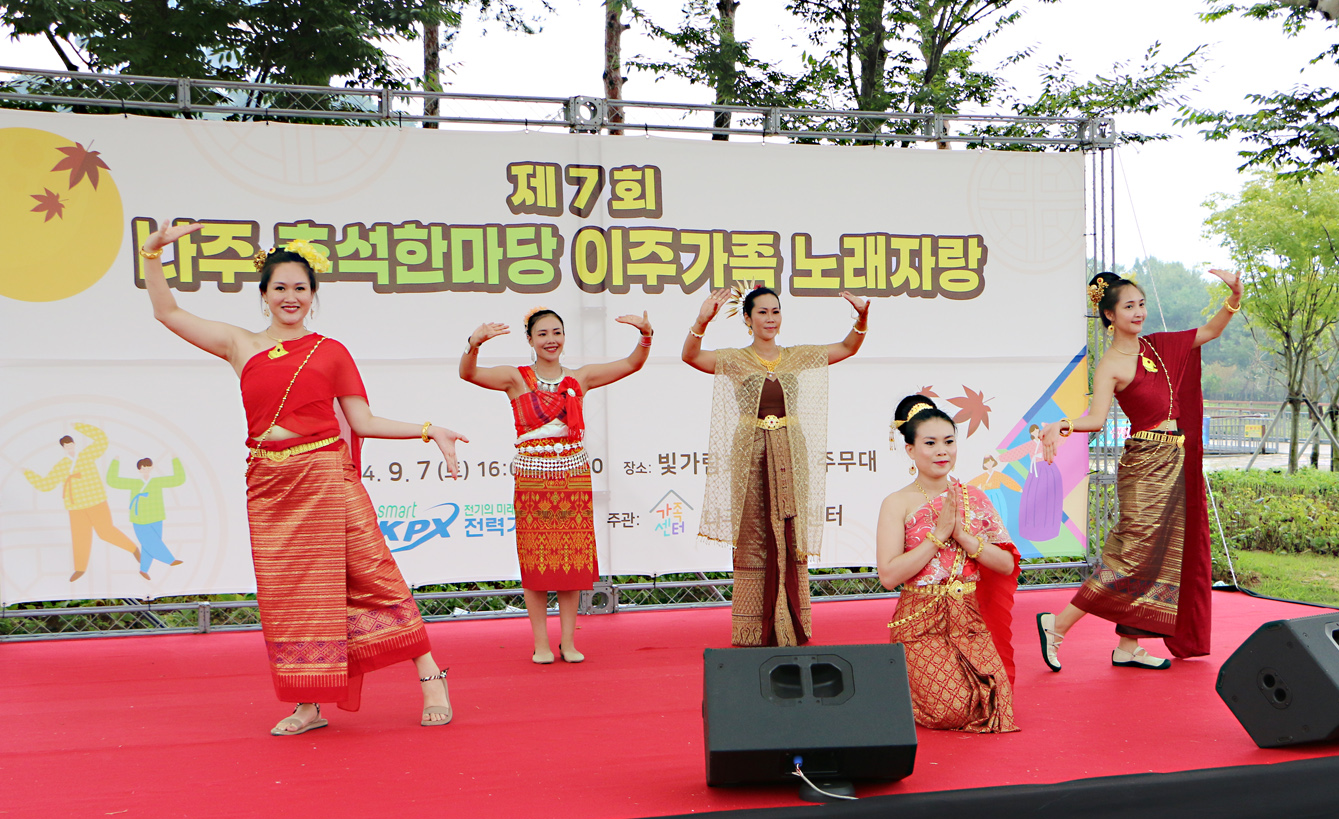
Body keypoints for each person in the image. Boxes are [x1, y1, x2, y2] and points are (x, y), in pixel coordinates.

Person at [140, 226, 466, 735]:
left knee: (375, 575)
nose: (290, 297)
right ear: (264, 294)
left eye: (301, 288)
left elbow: (363, 422)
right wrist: (153, 253)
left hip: (326, 477)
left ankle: (431, 678)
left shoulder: (330, 351)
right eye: (280, 288)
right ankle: (308, 705)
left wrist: (429, 431)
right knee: (290, 595)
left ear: (313, 296)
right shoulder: (239, 344)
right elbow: (167, 313)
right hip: (270, 484)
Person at [1034, 269, 1241, 671]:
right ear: (1110, 315)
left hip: (1175, 459)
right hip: (1144, 463)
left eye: (1141, 304)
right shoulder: (1111, 362)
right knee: (1129, 555)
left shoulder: (1159, 347)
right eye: (1129, 306)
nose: (1139, 312)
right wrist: (1063, 425)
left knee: (1157, 555)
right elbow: (1096, 418)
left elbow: (1212, 331)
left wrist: (1233, 296)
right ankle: (1056, 625)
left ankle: (1129, 646)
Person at [460, 307, 653, 663]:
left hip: (572, 477)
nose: (551, 340)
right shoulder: (515, 379)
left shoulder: (580, 378)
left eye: (557, 333)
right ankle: (541, 643)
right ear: (530, 340)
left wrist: (645, 335)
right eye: (543, 334)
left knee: (570, 560)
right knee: (536, 562)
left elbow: (631, 364)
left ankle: (568, 641)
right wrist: (475, 343)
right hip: (533, 478)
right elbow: (468, 373)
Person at [684, 284, 870, 646]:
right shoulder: (736, 359)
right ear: (747, 319)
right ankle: (755, 626)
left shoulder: (796, 356)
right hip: (750, 452)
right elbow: (691, 356)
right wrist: (701, 321)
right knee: (754, 532)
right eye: (762, 312)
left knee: (789, 530)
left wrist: (861, 317)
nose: (770, 318)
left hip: (790, 451)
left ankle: (792, 621)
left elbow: (848, 347)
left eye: (776, 311)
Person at [877, 396, 1019, 732]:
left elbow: (1005, 565)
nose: (942, 451)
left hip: (967, 618)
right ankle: (899, 686)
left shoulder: (974, 497)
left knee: (998, 704)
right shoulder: (896, 503)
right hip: (920, 621)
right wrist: (938, 535)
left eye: (949, 442)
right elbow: (888, 576)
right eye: (930, 443)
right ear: (910, 450)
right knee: (953, 711)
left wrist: (966, 538)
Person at [24, 424, 139, 581]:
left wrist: (79, 427)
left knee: (105, 531)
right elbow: (46, 484)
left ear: (74, 445)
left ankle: (133, 549)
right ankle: (80, 568)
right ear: (63, 448)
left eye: (71, 445)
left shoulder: (86, 455)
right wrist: (28, 473)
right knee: (80, 536)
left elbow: (101, 441)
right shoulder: (62, 465)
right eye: (66, 446)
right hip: (76, 506)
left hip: (95, 500)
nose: (69, 448)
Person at [106, 456, 187, 579]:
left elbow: (178, 479)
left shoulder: (157, 482)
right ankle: (169, 560)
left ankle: (143, 570)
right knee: (151, 542)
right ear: (139, 469)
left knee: (148, 545)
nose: (146, 470)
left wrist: (175, 460)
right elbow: (113, 481)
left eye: (148, 468)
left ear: (152, 468)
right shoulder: (134, 483)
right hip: (140, 518)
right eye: (143, 468)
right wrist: (115, 462)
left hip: (156, 516)